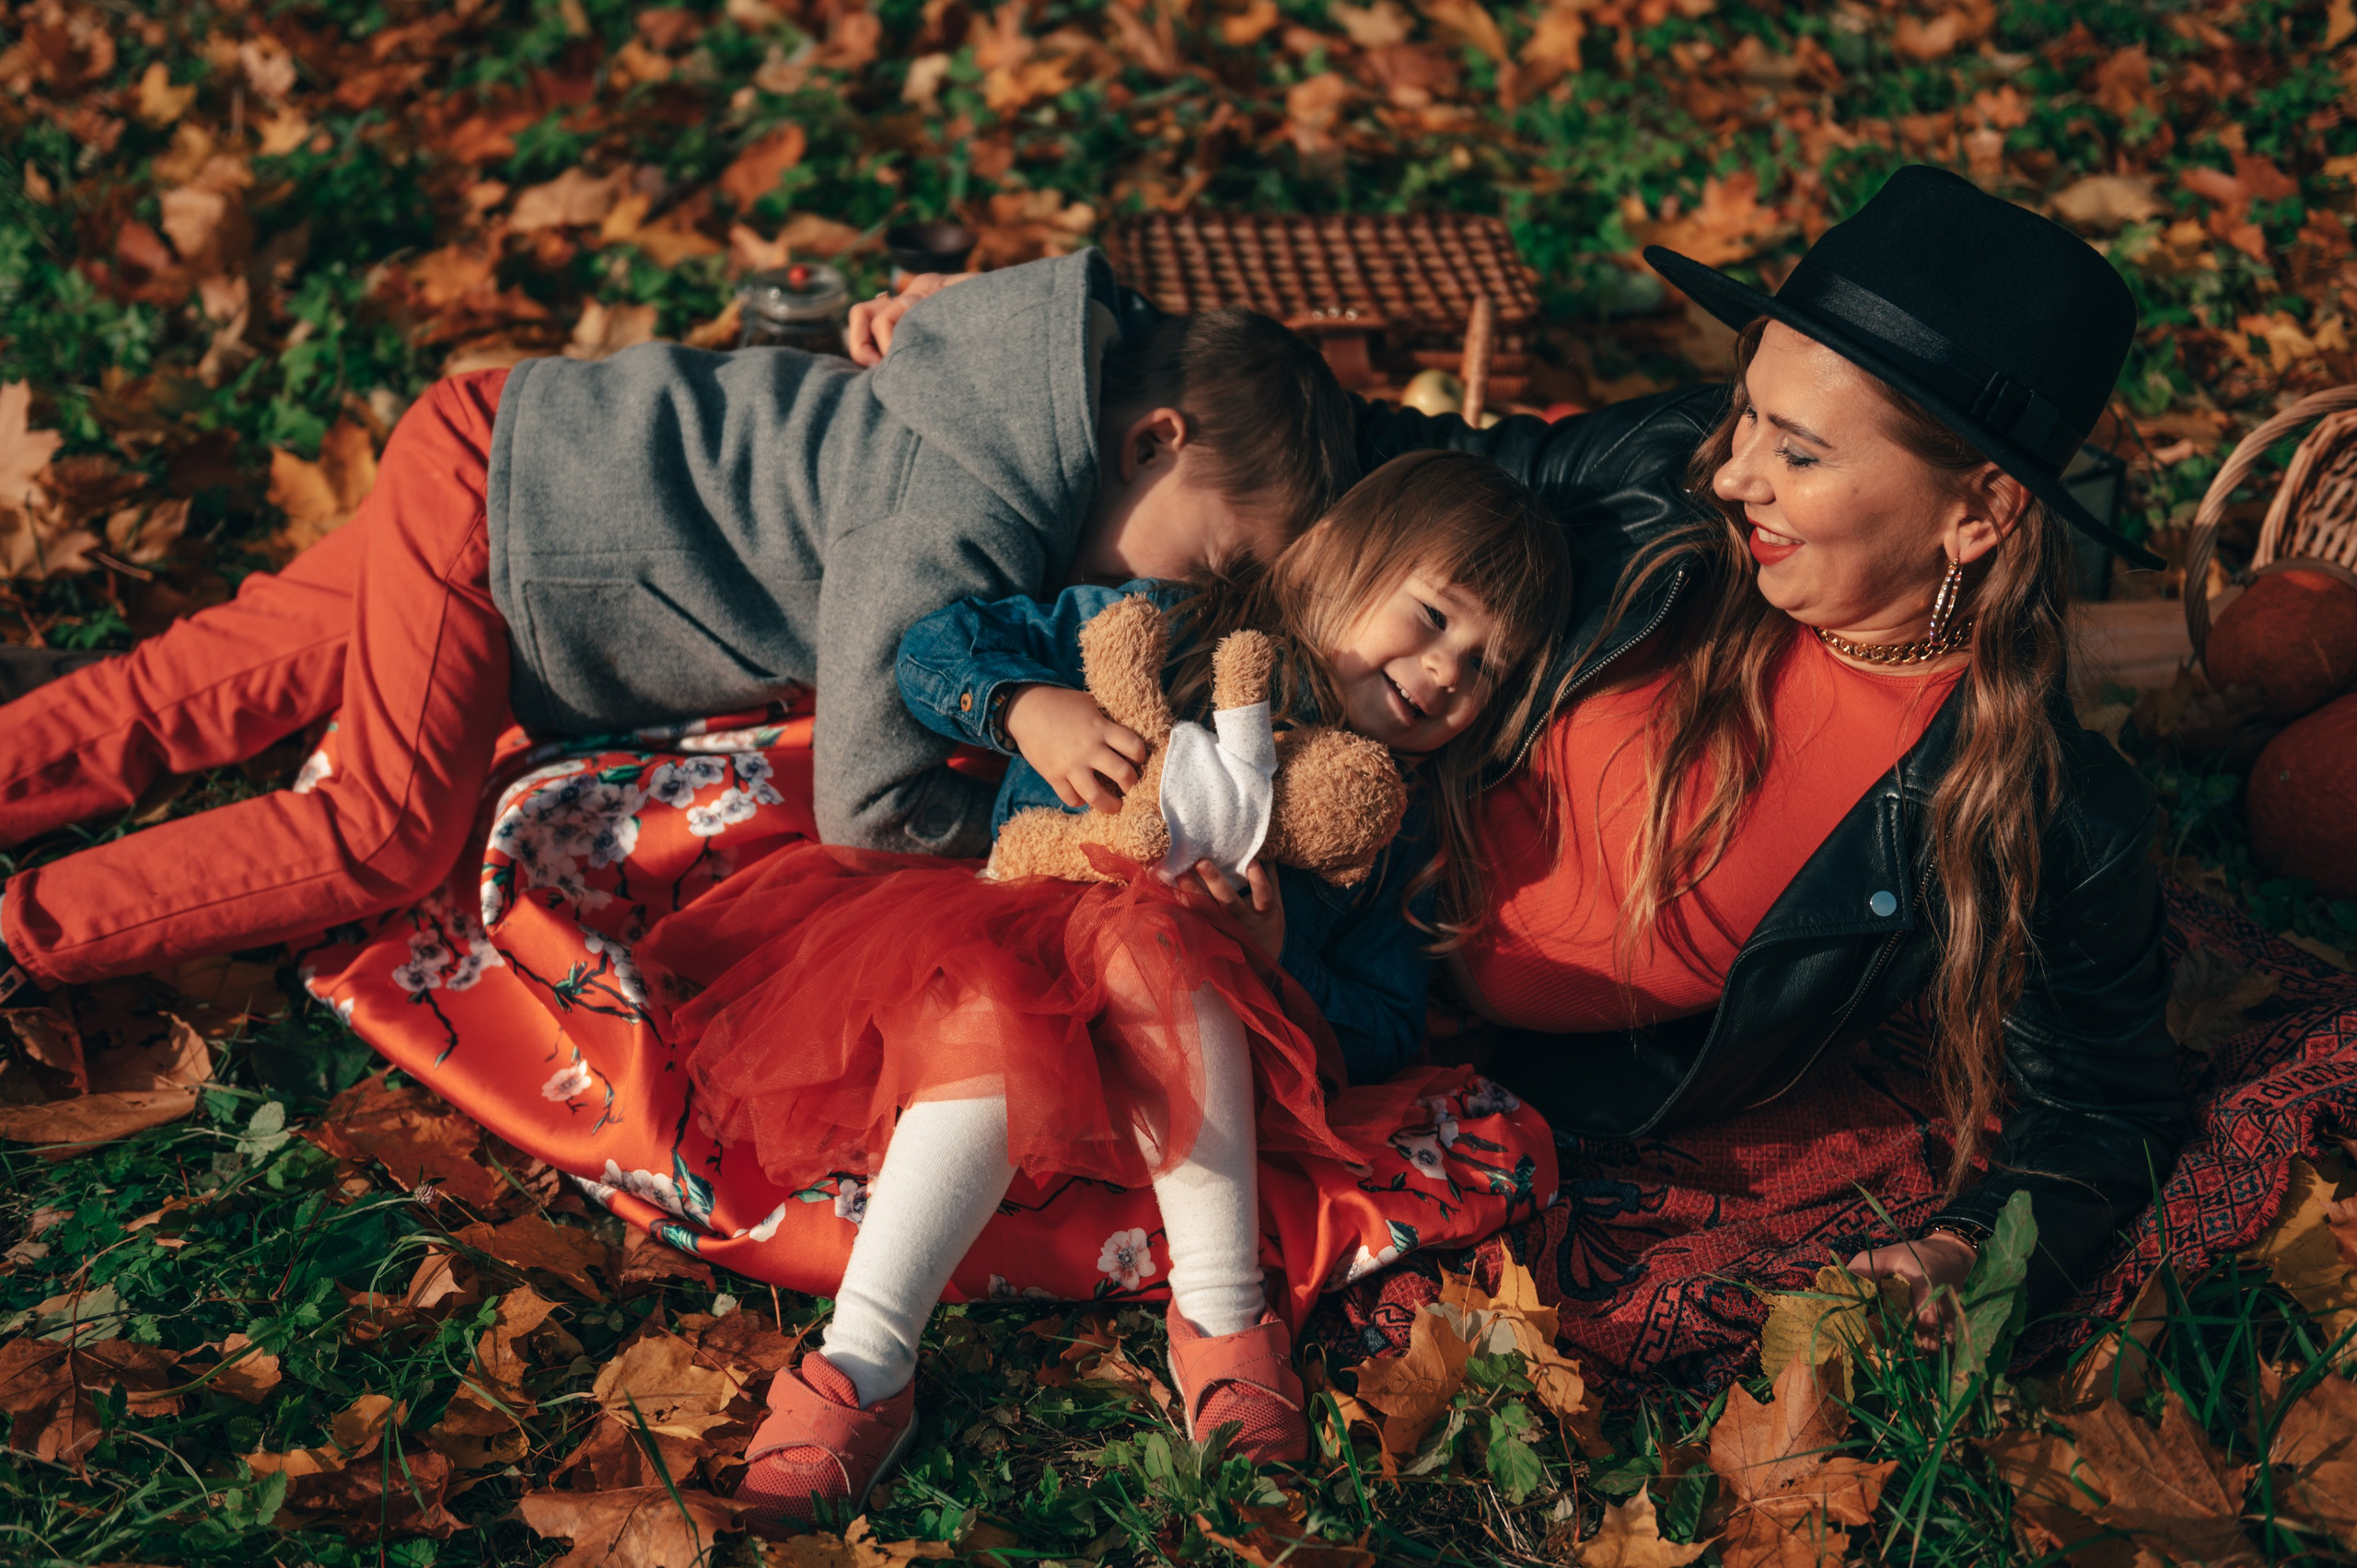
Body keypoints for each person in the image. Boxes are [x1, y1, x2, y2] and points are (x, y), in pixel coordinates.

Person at [865, 169, 2184, 1345]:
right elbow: (1382, 448)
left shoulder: (2038, 809)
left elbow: (2101, 1098)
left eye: (1799, 449)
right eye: (1746, 419)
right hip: (1251, 843)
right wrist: (1044, 350)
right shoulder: (1659, 479)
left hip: (1364, 1010)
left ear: (1982, 511)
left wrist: (1969, 1251)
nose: (1735, 476)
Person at [0, 251, 1357, 1004]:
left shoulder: (1017, 389)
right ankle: (27, 931)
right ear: (1150, 440)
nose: (1194, 598)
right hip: (508, 528)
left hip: (511, 452)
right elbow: (867, 802)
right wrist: (1039, 831)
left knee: (214, 678)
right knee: (388, 828)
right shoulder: (957, 506)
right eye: (1217, 556)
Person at [637, 450, 1568, 1520]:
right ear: (1334, 559)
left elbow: (1389, 1020)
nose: (1449, 669)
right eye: (1435, 615)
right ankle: (864, 1361)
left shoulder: (1390, 821)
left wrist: (1272, 961)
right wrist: (1026, 705)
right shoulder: (1169, 627)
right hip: (1005, 987)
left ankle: (1222, 1322)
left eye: (1487, 666)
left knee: (1153, 939)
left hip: (1205, 1066)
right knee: (992, 992)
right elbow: (936, 647)